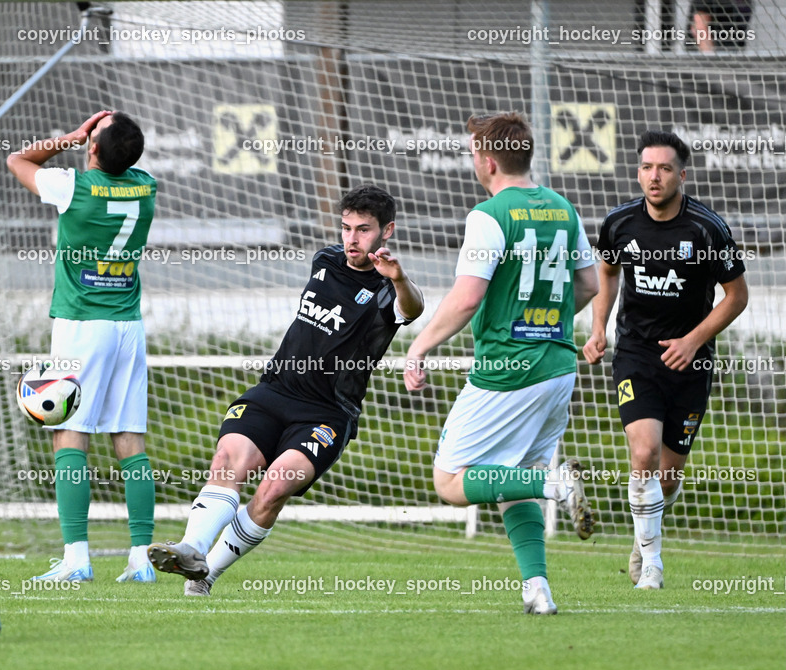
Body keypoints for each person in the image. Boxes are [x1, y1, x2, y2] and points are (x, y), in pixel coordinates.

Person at [147, 185, 424, 596]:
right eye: (346, 228)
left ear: (388, 231)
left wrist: (399, 278)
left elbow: (414, 308)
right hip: (275, 390)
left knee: (275, 487)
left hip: (327, 413)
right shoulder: (326, 259)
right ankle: (192, 549)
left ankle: (206, 576)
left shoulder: (388, 289)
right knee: (227, 460)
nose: (352, 238)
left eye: (363, 230)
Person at [404, 112, 599, 615]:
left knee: (451, 482)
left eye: (473, 152)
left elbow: (467, 297)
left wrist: (418, 346)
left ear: (487, 160)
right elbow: (590, 287)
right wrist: (548, 324)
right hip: (558, 364)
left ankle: (555, 484)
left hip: (508, 370)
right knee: (513, 477)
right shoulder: (563, 208)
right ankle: (538, 589)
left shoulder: (490, 214)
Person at [584, 130, 748, 590]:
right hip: (636, 355)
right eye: (645, 168)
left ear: (682, 174)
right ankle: (652, 565)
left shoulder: (706, 228)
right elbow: (608, 271)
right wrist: (599, 329)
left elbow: (736, 297)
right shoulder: (618, 224)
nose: (653, 177)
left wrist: (693, 341)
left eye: (664, 168)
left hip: (691, 362)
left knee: (668, 477)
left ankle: (643, 540)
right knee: (643, 453)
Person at [6, 110, 157, 583]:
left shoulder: (76, 188)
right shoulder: (146, 186)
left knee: (69, 434)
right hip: (128, 327)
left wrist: (68, 137)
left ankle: (76, 558)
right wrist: (98, 141)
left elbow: (16, 160)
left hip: (82, 324)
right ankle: (141, 557)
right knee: (129, 439)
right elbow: (120, 162)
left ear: (91, 148)